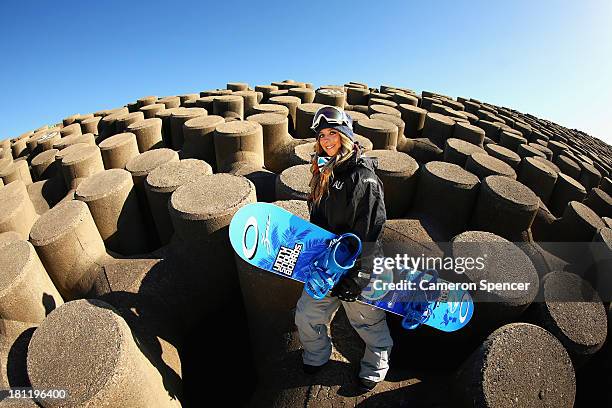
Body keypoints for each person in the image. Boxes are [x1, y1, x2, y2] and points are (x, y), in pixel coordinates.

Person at [294, 105, 393, 392]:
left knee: (368, 322)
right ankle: (316, 355)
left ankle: (375, 367)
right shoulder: (323, 171)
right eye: (322, 135)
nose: (326, 140)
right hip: (328, 264)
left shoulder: (362, 176)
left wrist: (359, 274)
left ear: (345, 135)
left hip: (359, 264)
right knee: (307, 314)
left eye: (332, 133)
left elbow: (372, 228)